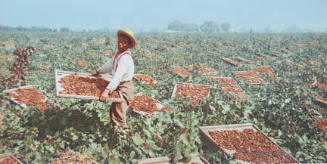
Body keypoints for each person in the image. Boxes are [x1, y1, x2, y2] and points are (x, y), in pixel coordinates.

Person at [91, 29, 136, 140]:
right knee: (114, 111)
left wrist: (106, 91)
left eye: (124, 42)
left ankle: (124, 140)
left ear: (129, 45)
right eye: (119, 41)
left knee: (119, 114)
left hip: (125, 88)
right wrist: (99, 71)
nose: (120, 44)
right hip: (120, 86)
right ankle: (117, 135)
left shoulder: (125, 58)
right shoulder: (119, 54)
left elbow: (118, 76)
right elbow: (110, 65)